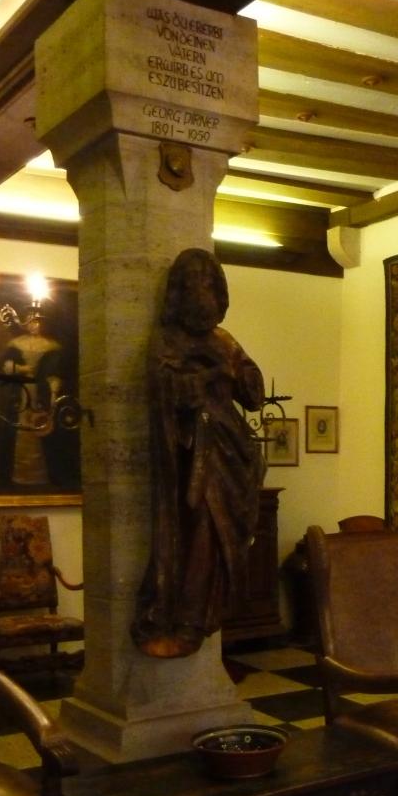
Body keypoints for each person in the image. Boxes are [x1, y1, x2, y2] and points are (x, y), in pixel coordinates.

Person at [133, 249, 266, 658]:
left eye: (210, 284)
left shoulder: (224, 340)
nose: (202, 293)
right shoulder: (167, 341)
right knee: (200, 528)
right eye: (193, 284)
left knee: (223, 533)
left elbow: (254, 394)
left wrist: (236, 372)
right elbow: (171, 392)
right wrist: (210, 375)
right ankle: (185, 617)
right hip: (192, 453)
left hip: (232, 452)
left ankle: (204, 614)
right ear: (178, 292)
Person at [0, 313, 65, 486]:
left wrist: (54, 389)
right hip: (19, 390)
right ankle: (17, 474)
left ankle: (42, 475)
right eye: (31, 322)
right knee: (19, 426)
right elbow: (3, 365)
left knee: (41, 426)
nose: (34, 325)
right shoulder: (15, 344)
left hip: (42, 392)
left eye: (38, 322)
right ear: (25, 323)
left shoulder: (51, 346)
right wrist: (21, 369)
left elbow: (55, 371)